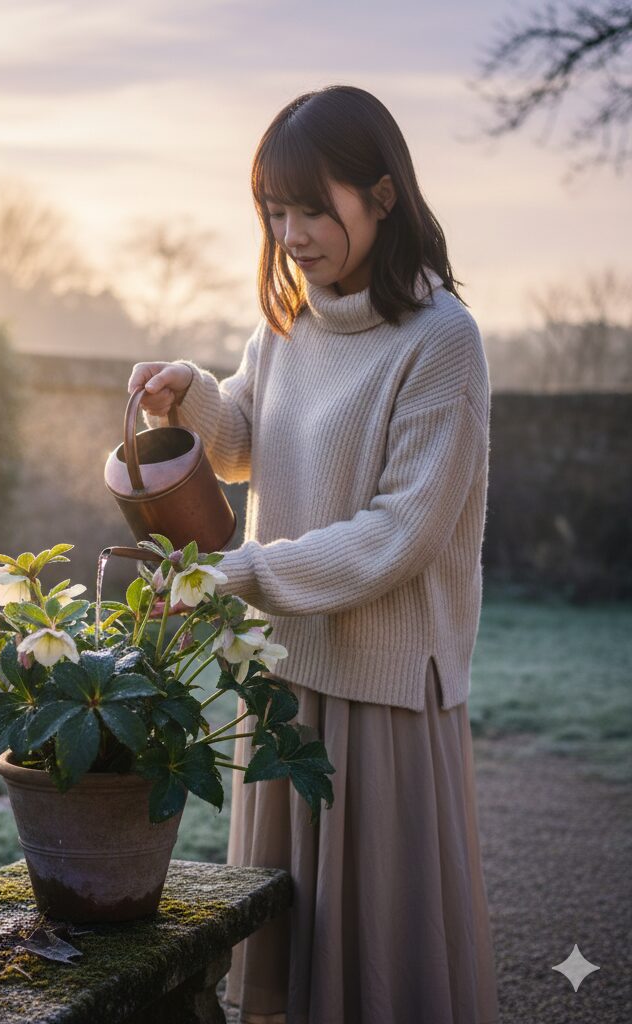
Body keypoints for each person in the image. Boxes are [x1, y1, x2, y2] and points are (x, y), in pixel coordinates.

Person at [128, 85, 500, 1024]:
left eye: (310, 206)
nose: (290, 233)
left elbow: (398, 535)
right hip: (287, 666)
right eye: (273, 210)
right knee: (289, 947)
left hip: (380, 685)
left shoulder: (441, 342)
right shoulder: (289, 321)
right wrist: (194, 398)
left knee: (378, 954)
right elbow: (250, 442)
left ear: (382, 194)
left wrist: (242, 575)